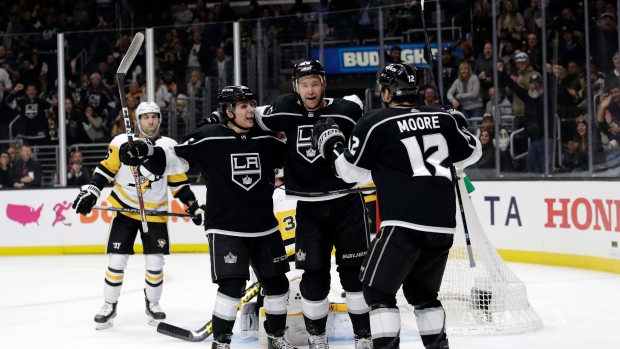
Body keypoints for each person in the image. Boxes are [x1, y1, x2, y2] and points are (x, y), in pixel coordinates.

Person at [311, 63, 481, 349]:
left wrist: (331, 145)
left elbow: (351, 174)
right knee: (425, 297)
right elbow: (471, 153)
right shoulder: (442, 117)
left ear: (387, 92)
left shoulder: (376, 122)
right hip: (441, 226)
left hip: (403, 224)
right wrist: (459, 123)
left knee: (376, 291)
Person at [118, 86, 295, 349]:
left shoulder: (267, 139)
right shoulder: (209, 137)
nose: (251, 110)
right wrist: (144, 151)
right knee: (232, 287)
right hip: (226, 229)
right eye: (244, 106)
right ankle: (221, 343)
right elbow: (170, 159)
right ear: (228, 111)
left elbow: (298, 160)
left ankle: (276, 337)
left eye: (252, 104)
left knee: (278, 285)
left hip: (265, 229)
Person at [253, 60, 372, 349]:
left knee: (354, 276)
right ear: (296, 87)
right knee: (314, 278)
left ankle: (364, 337)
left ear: (324, 84)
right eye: (304, 84)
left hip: (347, 205)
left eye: (315, 83)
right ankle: (317, 339)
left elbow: (372, 140)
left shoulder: (347, 111)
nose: (310, 89)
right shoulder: (283, 108)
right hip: (309, 209)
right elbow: (248, 115)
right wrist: (219, 119)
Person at [71, 102, 203, 330]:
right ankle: (109, 305)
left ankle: (153, 303)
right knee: (116, 261)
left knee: (155, 263)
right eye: (146, 117)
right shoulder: (122, 142)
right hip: (125, 210)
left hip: (156, 213)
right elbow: (106, 169)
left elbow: (178, 182)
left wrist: (192, 204)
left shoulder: (168, 146)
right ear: (138, 121)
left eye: (155, 116)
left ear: (160, 120)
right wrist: (92, 190)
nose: (151, 121)